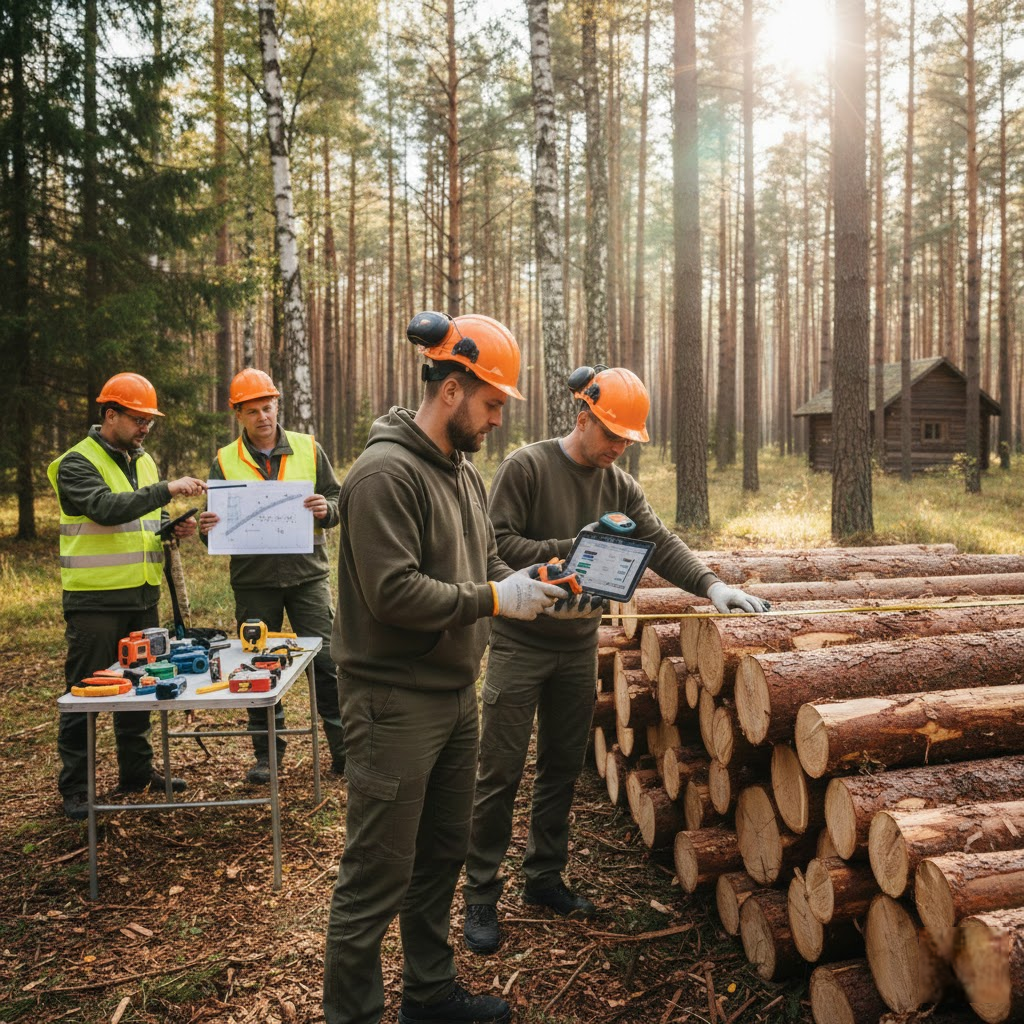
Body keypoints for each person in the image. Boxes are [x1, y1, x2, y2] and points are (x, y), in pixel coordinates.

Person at [461, 365, 770, 954]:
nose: (619, 448)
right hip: (521, 642)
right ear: (583, 418)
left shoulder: (621, 484)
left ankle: (544, 878)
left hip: (579, 644)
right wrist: (575, 547)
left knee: (560, 768)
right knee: (499, 771)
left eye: (629, 440)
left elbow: (661, 543)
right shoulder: (526, 467)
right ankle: (480, 893)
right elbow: (493, 545)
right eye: (612, 436)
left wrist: (713, 586)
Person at [322, 311, 577, 1024]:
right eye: (492, 403)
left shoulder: (461, 471)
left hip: (457, 695)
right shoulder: (384, 474)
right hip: (393, 702)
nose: (497, 419)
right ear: (453, 389)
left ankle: (429, 994)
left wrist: (531, 580)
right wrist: (496, 597)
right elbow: (394, 593)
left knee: (441, 855)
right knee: (376, 874)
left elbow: (485, 561)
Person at [48, 372, 206, 821]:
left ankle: (136, 772)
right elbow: (104, 509)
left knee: (142, 685)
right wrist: (166, 490)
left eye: (149, 421)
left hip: (142, 596)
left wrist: (171, 527)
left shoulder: (144, 461)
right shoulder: (75, 462)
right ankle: (76, 788)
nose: (145, 428)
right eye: (138, 419)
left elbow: (141, 523)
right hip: (95, 602)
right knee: (85, 694)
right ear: (110, 414)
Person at [198, 368, 346, 783]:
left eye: (267, 407)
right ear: (238, 415)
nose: (262, 417)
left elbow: (337, 497)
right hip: (254, 581)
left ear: (277, 405)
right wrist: (207, 528)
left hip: (307, 577)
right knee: (254, 666)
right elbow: (213, 526)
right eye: (252, 411)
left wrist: (328, 509)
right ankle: (267, 756)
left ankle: (344, 751)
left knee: (328, 664)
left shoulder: (308, 448)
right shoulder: (224, 460)